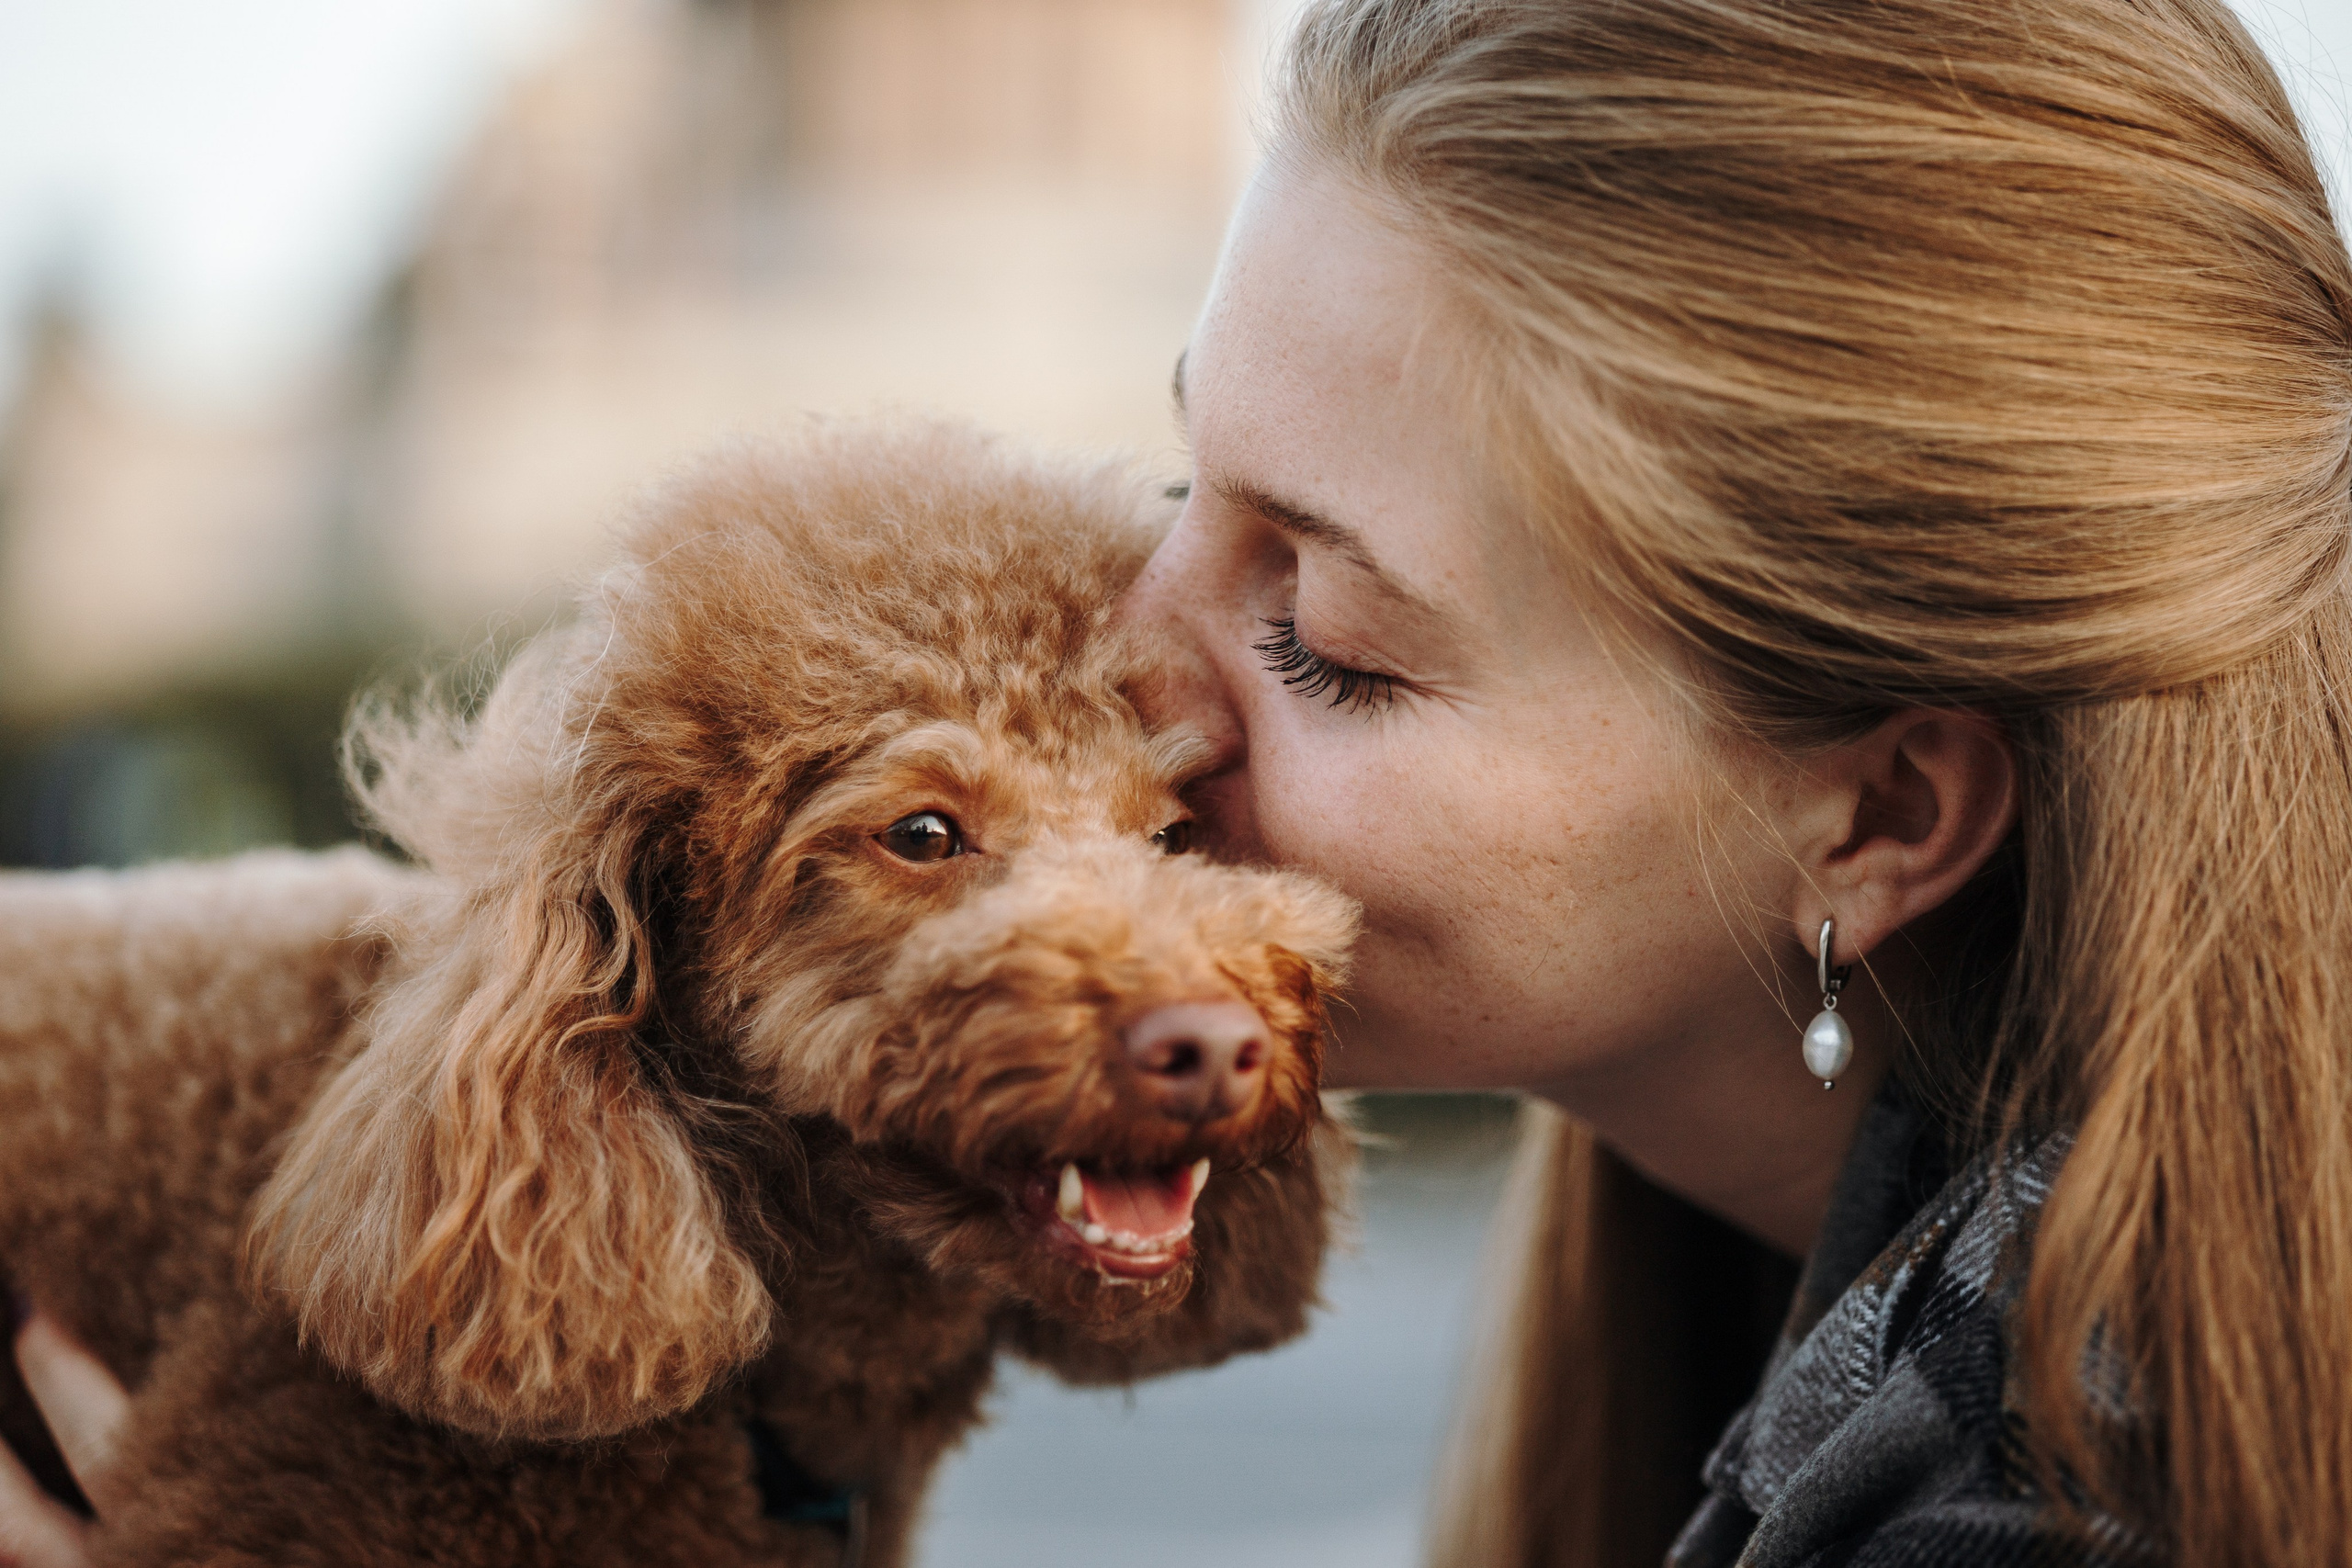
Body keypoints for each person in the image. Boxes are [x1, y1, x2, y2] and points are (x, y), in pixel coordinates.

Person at [11, 0, 2352, 1562]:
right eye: (1175, 489)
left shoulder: (2044, 1502)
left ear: (1876, 817)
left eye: (1321, 634)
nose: (1128, 685)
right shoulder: (1787, 1296)